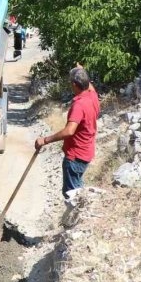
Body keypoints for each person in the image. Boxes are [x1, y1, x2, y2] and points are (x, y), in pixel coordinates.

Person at [34, 65, 100, 203]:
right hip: (86, 152)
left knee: (72, 195)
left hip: (75, 156)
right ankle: (79, 213)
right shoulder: (92, 97)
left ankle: (76, 220)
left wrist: (45, 140)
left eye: (71, 83)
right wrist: (82, 71)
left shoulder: (79, 105)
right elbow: (90, 87)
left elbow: (70, 130)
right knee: (77, 188)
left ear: (75, 85)